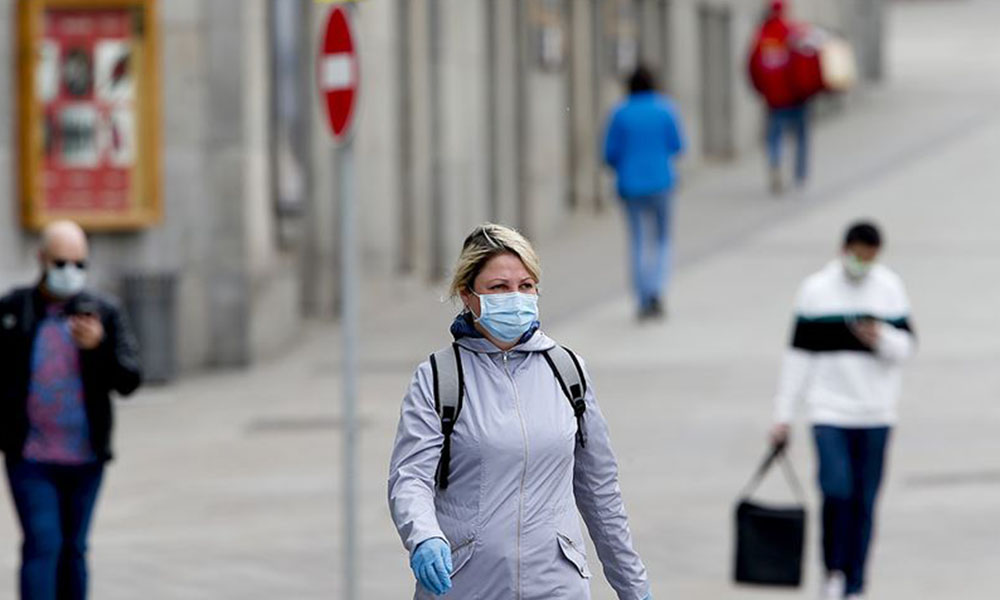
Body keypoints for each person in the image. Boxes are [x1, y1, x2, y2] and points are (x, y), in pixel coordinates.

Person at [388, 223, 652, 599]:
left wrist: (634, 587)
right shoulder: (439, 377)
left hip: (557, 585)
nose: (515, 297)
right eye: (499, 287)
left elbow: (600, 492)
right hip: (466, 585)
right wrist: (425, 536)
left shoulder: (567, 371)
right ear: (468, 295)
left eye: (525, 286)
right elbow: (410, 476)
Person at [769, 221, 915, 600]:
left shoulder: (889, 288)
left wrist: (881, 337)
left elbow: (907, 347)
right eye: (859, 255)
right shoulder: (816, 291)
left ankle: (855, 582)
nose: (863, 264)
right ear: (845, 249)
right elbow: (797, 358)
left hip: (876, 413)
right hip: (829, 410)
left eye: (870, 258)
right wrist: (783, 414)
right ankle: (833, 570)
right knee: (836, 491)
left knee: (865, 500)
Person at [1, 220, 143, 600]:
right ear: (42, 259)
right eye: (62, 263)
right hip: (30, 455)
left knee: (73, 549)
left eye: (80, 264)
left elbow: (129, 379)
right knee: (42, 543)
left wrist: (99, 346)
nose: (71, 273)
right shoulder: (14, 310)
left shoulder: (103, 312)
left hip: (85, 457)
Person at [603, 64, 686, 321]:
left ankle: (641, 298)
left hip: (630, 184)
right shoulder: (665, 109)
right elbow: (678, 145)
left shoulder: (620, 113)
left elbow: (609, 153)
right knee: (661, 239)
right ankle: (656, 291)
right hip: (662, 181)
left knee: (638, 240)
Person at [748, 0, 812, 194]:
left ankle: (775, 164)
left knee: (774, 137)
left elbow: (752, 67)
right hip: (797, 98)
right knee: (800, 137)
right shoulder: (794, 33)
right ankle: (799, 174)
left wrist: (762, 91)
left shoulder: (762, 37)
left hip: (774, 100)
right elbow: (807, 62)